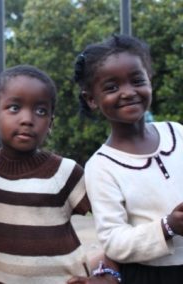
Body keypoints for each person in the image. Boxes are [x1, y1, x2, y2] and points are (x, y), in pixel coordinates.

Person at [0, 64, 114, 283]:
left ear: (50, 124)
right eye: (14, 107)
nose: (27, 119)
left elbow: (116, 222)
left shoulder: (64, 172)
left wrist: (109, 272)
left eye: (40, 111)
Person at [74, 34, 183, 284]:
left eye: (137, 80)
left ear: (150, 82)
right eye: (111, 87)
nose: (128, 92)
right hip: (151, 276)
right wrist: (167, 227)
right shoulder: (102, 167)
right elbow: (113, 241)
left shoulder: (177, 132)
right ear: (92, 99)